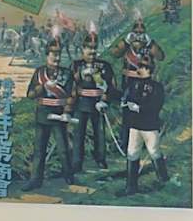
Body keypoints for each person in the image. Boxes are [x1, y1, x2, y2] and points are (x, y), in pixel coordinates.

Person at [23, 37, 75, 191]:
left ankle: (69, 176)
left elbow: (72, 95)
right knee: (39, 150)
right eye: (53, 54)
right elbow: (30, 95)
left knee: (63, 149)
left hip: (59, 114)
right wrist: (43, 87)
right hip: (42, 114)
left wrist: (67, 112)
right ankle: (35, 180)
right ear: (47, 55)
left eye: (59, 54)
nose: (57, 58)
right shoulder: (39, 73)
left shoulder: (67, 73)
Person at [117, 53, 169, 197]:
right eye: (140, 66)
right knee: (132, 153)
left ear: (150, 70)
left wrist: (139, 108)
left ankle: (164, 180)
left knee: (154, 152)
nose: (140, 69)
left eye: (143, 67)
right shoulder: (132, 85)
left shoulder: (157, 87)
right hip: (135, 125)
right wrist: (124, 103)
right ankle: (131, 187)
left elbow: (156, 105)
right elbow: (125, 98)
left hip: (150, 126)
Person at [112, 16, 165, 152]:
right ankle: (126, 143)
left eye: (141, 32)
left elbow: (161, 56)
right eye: (136, 32)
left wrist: (150, 42)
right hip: (128, 83)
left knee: (144, 110)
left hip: (146, 84)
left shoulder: (149, 48)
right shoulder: (127, 47)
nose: (138, 35)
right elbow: (115, 53)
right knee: (127, 113)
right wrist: (125, 41)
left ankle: (146, 143)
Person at [70, 31, 118, 172]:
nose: (92, 51)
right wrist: (78, 78)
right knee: (79, 134)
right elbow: (69, 84)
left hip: (98, 104)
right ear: (83, 48)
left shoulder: (104, 66)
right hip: (81, 103)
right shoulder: (76, 65)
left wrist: (105, 99)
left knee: (100, 133)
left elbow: (111, 85)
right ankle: (76, 162)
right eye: (89, 48)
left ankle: (100, 160)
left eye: (94, 48)